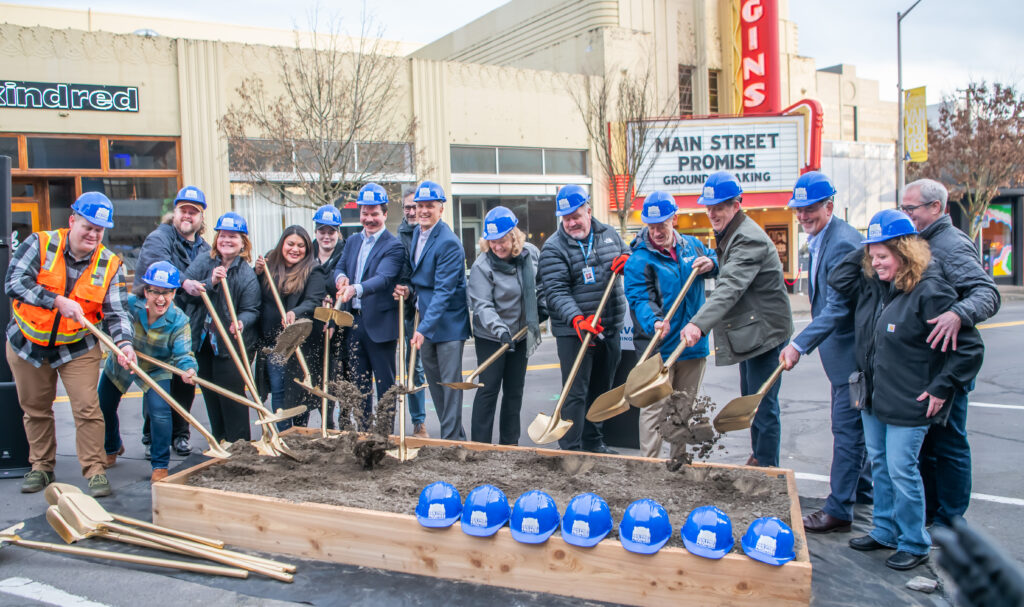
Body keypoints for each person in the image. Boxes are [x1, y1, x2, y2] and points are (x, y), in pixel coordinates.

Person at [829, 209, 983, 571]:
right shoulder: (877, 285)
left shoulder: (931, 291)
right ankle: (884, 529)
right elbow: (839, 279)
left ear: (906, 253)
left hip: (909, 400)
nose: (874, 262)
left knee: (902, 469)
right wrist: (869, 248)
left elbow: (970, 349)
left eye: (883, 255)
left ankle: (914, 541)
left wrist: (941, 388)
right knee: (880, 464)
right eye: (872, 255)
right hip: (874, 397)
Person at [5, 192, 135, 498]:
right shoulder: (39, 243)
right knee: (36, 409)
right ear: (72, 220)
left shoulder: (110, 264)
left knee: (88, 409)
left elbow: (117, 312)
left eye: (99, 230)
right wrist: (55, 300)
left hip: (77, 345)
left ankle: (94, 470)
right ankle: (41, 467)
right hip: (28, 342)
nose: (93, 234)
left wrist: (124, 344)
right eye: (88, 226)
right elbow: (13, 282)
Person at [900, 178, 1000, 528]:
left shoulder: (951, 244)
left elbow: (987, 292)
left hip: (949, 365)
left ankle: (951, 519)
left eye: (910, 208)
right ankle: (931, 513)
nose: (905, 214)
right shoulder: (922, 241)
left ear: (936, 208)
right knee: (928, 445)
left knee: (949, 442)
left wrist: (959, 313)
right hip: (927, 364)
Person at [778, 172, 872, 533]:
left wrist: (799, 344)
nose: (802, 217)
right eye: (799, 210)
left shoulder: (844, 243)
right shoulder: (824, 237)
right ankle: (862, 490)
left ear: (829, 206)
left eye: (810, 209)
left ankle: (838, 509)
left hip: (853, 356)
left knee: (847, 430)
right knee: (855, 429)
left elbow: (837, 309)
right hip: (843, 355)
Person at [680, 171, 793, 467]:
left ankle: (767, 468)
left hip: (765, 333)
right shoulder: (734, 233)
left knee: (761, 404)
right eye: (709, 207)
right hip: (754, 330)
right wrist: (715, 263)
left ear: (736, 205)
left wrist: (697, 324)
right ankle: (760, 456)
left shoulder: (747, 238)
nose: (712, 213)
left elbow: (730, 288)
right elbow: (732, 265)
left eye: (719, 206)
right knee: (752, 399)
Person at [623, 191, 716, 459]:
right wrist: (653, 321)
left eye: (661, 224)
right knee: (654, 409)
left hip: (692, 344)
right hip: (660, 346)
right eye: (651, 226)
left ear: (674, 219)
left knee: (683, 407)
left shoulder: (693, 246)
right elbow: (639, 297)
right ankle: (649, 467)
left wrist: (713, 263)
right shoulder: (640, 259)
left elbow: (718, 259)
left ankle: (678, 464)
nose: (656, 231)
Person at [538, 184, 630, 453]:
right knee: (575, 392)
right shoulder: (553, 248)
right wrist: (577, 320)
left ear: (588, 211)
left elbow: (629, 255)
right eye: (566, 218)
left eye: (576, 216)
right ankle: (571, 447)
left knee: (602, 389)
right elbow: (555, 291)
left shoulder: (609, 234)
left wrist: (628, 260)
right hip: (575, 331)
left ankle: (594, 443)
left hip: (608, 326)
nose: (571, 223)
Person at [99, 261, 197, 483]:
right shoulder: (129, 306)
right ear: (146, 291)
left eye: (167, 293)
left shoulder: (180, 320)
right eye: (155, 292)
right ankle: (112, 446)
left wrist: (188, 369)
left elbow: (183, 353)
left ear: (174, 292)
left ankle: (160, 465)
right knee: (103, 405)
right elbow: (109, 323)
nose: (160, 299)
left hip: (156, 369)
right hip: (122, 362)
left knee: (160, 413)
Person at [134, 185, 210, 458]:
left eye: (194, 211)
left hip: (189, 325)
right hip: (158, 326)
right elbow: (160, 268)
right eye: (183, 210)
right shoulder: (160, 237)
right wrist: (185, 281)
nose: (188, 215)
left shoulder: (204, 248)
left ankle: (180, 434)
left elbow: (209, 280)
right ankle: (152, 436)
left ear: (201, 218)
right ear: (175, 213)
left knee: (184, 383)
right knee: (157, 382)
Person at [393, 180, 471, 441]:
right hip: (424, 321)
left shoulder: (448, 243)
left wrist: (422, 329)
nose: (423, 211)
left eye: (429, 206)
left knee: (450, 388)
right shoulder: (417, 234)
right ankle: (455, 439)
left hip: (447, 326)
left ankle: (450, 443)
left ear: (441, 208)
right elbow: (420, 280)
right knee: (436, 387)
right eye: (420, 206)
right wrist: (408, 291)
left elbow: (444, 292)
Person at [467, 206, 545, 445]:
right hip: (492, 336)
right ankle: (480, 447)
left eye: (501, 241)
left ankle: (510, 445)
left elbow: (540, 284)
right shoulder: (483, 266)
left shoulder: (530, 254)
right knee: (488, 390)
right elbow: (482, 305)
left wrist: (542, 307)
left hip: (520, 335)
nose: (497, 247)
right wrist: (500, 330)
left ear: (514, 236)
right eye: (492, 242)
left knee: (514, 391)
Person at [181, 212, 261, 443]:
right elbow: (186, 292)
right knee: (210, 392)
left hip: (230, 344)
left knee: (232, 396)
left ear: (243, 242)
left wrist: (241, 321)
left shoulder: (246, 274)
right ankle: (219, 442)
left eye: (233, 237)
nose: (226, 240)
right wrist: (210, 282)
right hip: (203, 340)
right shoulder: (204, 261)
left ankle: (239, 445)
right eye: (222, 236)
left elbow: (252, 309)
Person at [334, 183, 405, 430]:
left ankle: (384, 434)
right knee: (360, 384)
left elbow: (384, 278)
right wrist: (340, 279)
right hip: (354, 323)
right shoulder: (352, 241)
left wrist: (355, 288)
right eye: (365, 213)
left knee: (385, 385)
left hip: (380, 326)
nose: (369, 218)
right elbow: (341, 266)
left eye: (375, 213)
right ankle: (365, 435)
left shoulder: (393, 245)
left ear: (385, 214)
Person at [254, 225, 328, 430]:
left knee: (297, 393)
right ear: (282, 244)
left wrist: (296, 312)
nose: (295, 249)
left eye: (301, 245)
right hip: (274, 344)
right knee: (278, 391)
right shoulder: (269, 265)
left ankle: (299, 433)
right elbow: (255, 292)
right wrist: (257, 271)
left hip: (298, 343)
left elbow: (314, 300)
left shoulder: (313, 269)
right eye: (291, 244)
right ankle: (284, 434)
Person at [309, 204, 345, 430]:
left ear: (338, 233)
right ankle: (319, 420)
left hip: (339, 326)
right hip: (313, 325)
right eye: (322, 231)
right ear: (315, 232)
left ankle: (336, 420)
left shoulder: (346, 253)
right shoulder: (306, 252)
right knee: (315, 374)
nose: (326, 236)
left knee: (335, 375)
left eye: (331, 231)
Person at [397, 186, 428, 436]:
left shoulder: (435, 234)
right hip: (408, 311)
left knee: (433, 365)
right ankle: (419, 421)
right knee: (412, 365)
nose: (411, 211)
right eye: (407, 207)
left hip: (430, 307)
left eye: (414, 206)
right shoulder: (400, 238)